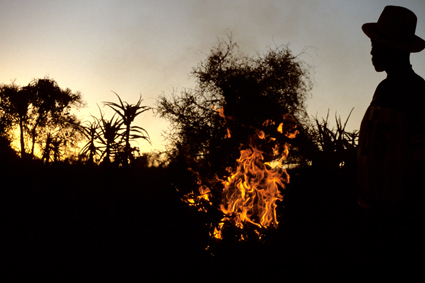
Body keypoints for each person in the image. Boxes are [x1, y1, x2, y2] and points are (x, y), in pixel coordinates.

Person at [357, 5, 425, 279]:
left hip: (395, 225)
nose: (372, 52)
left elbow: (421, 168)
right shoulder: (383, 89)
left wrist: (403, 220)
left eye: (377, 46)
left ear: (395, 49)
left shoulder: (417, 95)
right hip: (370, 218)